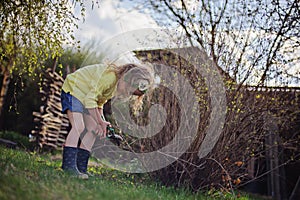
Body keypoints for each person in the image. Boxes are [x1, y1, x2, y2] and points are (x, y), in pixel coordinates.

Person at [60, 62, 155, 179]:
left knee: (94, 129)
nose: (129, 94)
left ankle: (81, 168)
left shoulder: (114, 86)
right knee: (78, 126)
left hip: (85, 97)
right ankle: (68, 167)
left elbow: (99, 103)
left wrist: (102, 123)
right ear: (127, 78)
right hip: (74, 90)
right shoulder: (110, 78)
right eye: (130, 90)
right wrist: (100, 121)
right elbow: (91, 99)